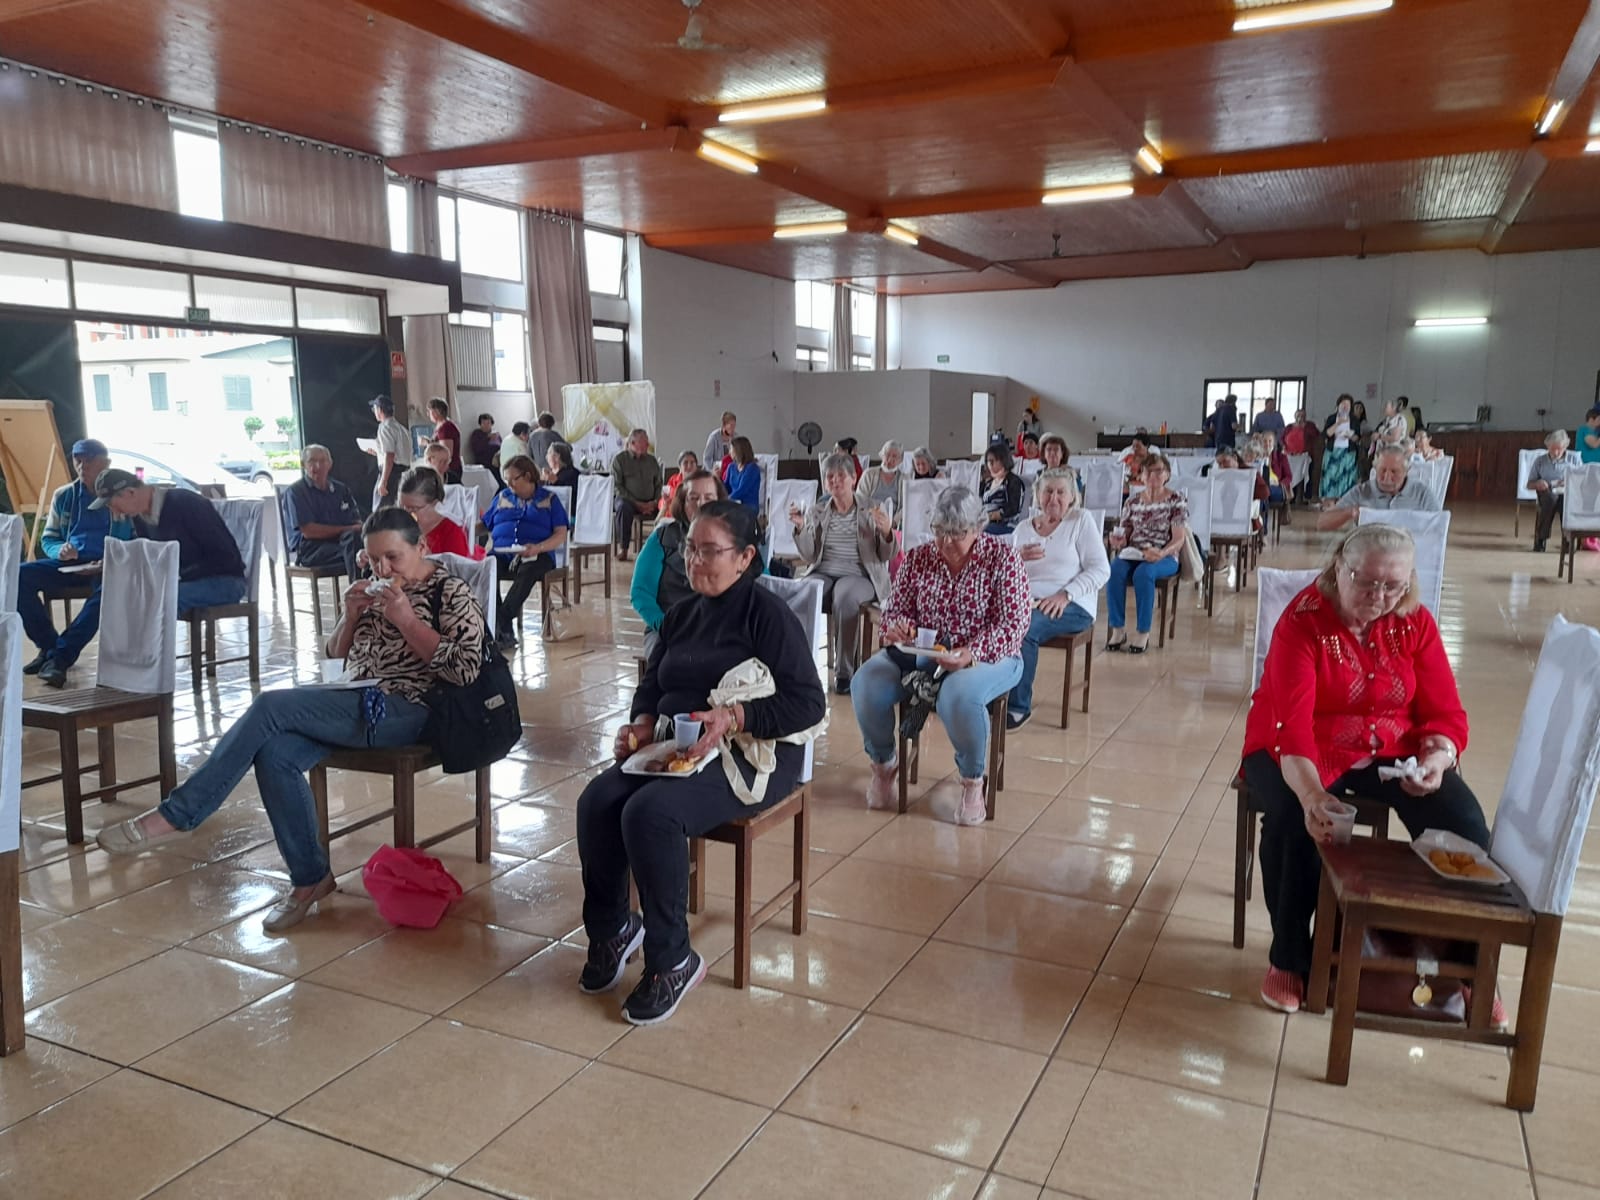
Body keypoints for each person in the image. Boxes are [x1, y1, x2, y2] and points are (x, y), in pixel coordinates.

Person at [96, 507, 488, 932]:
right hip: (355, 698)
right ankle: (310, 878)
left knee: (271, 706)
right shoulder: (376, 589)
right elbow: (336, 656)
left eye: (393, 557)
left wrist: (407, 620)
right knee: (276, 753)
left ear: (422, 547)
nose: (383, 569)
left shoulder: (449, 592)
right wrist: (351, 615)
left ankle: (179, 813)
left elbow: (465, 670)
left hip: (413, 709)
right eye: (374, 559)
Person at [578, 500, 825, 1025]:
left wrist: (734, 717)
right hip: (680, 745)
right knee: (598, 801)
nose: (695, 561)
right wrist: (641, 724)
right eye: (691, 549)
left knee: (650, 813)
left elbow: (809, 704)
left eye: (710, 551)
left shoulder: (766, 615)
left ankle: (672, 960)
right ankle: (613, 929)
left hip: (754, 753)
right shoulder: (682, 615)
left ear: (745, 557)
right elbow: (652, 684)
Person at [1243, 524, 1493, 1017]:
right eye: (1367, 582)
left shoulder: (1414, 622)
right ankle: (1289, 958)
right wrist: (1312, 796)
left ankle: (1464, 964)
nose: (1379, 597)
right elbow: (1292, 728)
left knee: (1463, 824)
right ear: (1340, 567)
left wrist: (1437, 759)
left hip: (1391, 745)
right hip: (1299, 746)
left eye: (1393, 586)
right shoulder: (1304, 622)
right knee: (1293, 823)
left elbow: (1445, 712)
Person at [850, 487, 1029, 826]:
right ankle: (884, 765)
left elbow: (1014, 625)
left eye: (956, 533)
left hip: (991, 655)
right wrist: (897, 627)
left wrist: (971, 653)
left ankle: (973, 781)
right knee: (865, 684)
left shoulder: (1003, 558)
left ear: (977, 528)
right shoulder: (919, 557)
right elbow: (895, 608)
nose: (946, 542)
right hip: (926, 652)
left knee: (958, 695)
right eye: (939, 531)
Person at [47, 468, 247, 689]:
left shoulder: (187, 503)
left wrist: (175, 576)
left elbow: (225, 558)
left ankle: (149, 672)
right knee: (111, 590)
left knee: (161, 598)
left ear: (131, 493)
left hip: (224, 580)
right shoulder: (140, 516)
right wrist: (115, 565)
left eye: (113, 504)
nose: (114, 511)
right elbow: (151, 557)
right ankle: (61, 658)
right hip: (176, 581)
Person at [16, 439, 132, 682]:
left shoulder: (121, 495)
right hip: (70, 563)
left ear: (106, 463)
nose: (82, 466)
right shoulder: (64, 495)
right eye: (78, 461)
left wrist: (108, 560)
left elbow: (133, 542)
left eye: (89, 461)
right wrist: (60, 550)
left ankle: (60, 657)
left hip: (107, 565)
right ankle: (49, 646)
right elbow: (49, 538)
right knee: (18, 575)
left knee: (110, 591)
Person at [1006, 469, 1109, 730]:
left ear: (1072, 496)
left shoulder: (1080, 521)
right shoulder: (1023, 528)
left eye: (1061, 492)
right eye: (1048, 492)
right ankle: (988, 694)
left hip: (1073, 603)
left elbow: (1101, 569)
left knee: (1024, 627)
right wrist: (1016, 557)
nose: (1053, 498)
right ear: (1038, 496)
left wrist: (1065, 595)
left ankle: (1018, 706)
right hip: (1028, 602)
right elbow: (1007, 573)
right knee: (986, 620)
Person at [792, 452, 894, 693]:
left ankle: (845, 673)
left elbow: (886, 555)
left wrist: (886, 532)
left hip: (860, 574)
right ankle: (799, 668)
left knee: (845, 596)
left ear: (853, 478)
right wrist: (800, 528)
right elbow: (810, 556)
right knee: (802, 591)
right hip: (824, 570)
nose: (835, 481)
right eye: (830, 477)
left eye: (841, 476)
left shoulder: (871, 508)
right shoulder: (818, 510)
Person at [631, 469, 726, 658]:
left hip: (720, 629)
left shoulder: (733, 538)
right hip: (667, 627)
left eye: (708, 498)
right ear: (683, 503)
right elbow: (640, 592)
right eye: (693, 498)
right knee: (675, 661)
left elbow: (761, 582)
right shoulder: (662, 538)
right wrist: (665, 625)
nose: (701, 504)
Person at [484, 454, 570, 648]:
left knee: (528, 570)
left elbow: (561, 534)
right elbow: (485, 523)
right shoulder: (502, 497)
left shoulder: (549, 500)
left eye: (513, 479)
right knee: (488, 567)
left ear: (528, 476)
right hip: (502, 552)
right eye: (506, 480)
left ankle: (501, 620)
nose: (509, 485)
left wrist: (538, 548)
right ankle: (503, 629)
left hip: (538, 553)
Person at [1105, 453, 1187, 654]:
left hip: (1164, 554)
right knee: (1114, 570)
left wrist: (1161, 552)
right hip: (1135, 553)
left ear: (1167, 475)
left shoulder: (1176, 500)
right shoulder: (1132, 502)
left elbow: (1179, 539)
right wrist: (1119, 540)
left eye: (1158, 471)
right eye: (1147, 472)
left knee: (1144, 573)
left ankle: (1143, 632)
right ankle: (1118, 629)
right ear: (1140, 476)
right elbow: (1126, 533)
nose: (1152, 476)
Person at [283, 444, 363, 581]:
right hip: (311, 549)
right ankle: (359, 590)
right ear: (303, 464)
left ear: (330, 464)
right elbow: (309, 531)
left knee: (368, 548)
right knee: (356, 551)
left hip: (342, 543)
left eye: (322, 461)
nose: (318, 466)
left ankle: (374, 589)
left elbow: (355, 520)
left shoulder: (341, 489)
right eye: (312, 461)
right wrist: (347, 529)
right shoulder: (296, 492)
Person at [1317, 444, 1440, 530]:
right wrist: (1350, 512)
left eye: (1394, 472)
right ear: (1375, 469)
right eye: (1382, 470)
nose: (1387, 477)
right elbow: (1322, 524)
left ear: (1406, 471)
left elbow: (1439, 525)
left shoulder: (1421, 492)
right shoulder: (1362, 491)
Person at [611, 428, 663, 557]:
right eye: (644, 441)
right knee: (623, 507)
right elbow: (617, 486)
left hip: (651, 502)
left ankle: (661, 548)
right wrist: (636, 503)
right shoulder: (620, 460)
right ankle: (624, 548)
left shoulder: (651, 461)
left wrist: (655, 502)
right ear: (633, 443)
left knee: (669, 506)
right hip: (629, 501)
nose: (647, 444)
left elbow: (659, 484)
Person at [399, 466, 471, 558]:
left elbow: (458, 567)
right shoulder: (399, 527)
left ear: (435, 503)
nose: (406, 514)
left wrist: (428, 561)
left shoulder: (452, 534)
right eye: (402, 507)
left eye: (413, 508)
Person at [1528, 430, 1574, 553]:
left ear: (1565, 447)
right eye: (1552, 449)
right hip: (1546, 492)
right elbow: (1529, 484)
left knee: (1565, 502)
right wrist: (1538, 483)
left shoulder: (1574, 460)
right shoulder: (1540, 461)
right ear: (1547, 447)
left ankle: (1568, 540)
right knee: (1551, 499)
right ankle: (1541, 539)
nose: (1555, 452)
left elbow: (1582, 481)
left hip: (1567, 493)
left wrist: (1569, 482)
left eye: (1559, 449)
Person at [365, 395, 413, 509]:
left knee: (381, 510)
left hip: (391, 473)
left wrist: (384, 481)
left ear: (379, 410)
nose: (374, 412)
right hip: (403, 473)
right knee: (397, 508)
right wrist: (378, 453)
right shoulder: (402, 429)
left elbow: (389, 455)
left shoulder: (385, 427)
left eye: (374, 409)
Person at [979, 443, 1024, 536]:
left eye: (994, 460)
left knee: (980, 531)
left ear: (1004, 460)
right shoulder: (988, 484)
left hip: (1007, 525)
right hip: (986, 522)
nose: (990, 464)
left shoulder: (1013, 481)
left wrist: (991, 516)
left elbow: (1013, 508)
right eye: (988, 461)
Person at [1321, 395, 1359, 500]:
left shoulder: (1354, 419)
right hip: (1332, 451)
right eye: (1343, 404)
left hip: (1348, 452)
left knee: (1347, 477)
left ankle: (1346, 500)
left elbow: (1357, 437)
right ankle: (1330, 500)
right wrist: (1338, 423)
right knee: (1331, 475)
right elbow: (1326, 434)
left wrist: (1350, 436)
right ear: (1338, 406)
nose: (1345, 407)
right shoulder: (1332, 418)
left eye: (1348, 405)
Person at [856, 441, 906, 515]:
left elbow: (905, 506)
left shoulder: (904, 479)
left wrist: (894, 521)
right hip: (870, 517)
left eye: (894, 456)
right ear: (882, 456)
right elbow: (860, 499)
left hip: (893, 520)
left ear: (900, 460)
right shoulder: (869, 474)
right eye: (887, 455)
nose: (890, 459)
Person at [426, 398, 464, 484]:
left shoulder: (446, 428)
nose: (428, 414)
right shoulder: (441, 426)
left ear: (436, 411)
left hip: (449, 469)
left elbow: (446, 451)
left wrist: (429, 444)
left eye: (429, 411)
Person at [1259, 430, 1293, 524]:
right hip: (1263, 488)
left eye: (1270, 441)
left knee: (1263, 493)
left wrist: (1280, 483)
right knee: (1262, 495)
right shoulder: (1258, 456)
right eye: (1265, 441)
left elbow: (1289, 476)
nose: (1267, 444)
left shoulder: (1281, 457)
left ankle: (1262, 528)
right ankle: (1262, 528)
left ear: (1274, 443)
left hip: (1277, 488)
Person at [722, 436, 762, 513]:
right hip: (733, 503)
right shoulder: (731, 466)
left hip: (748, 506)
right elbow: (726, 487)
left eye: (731, 449)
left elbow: (742, 490)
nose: (729, 452)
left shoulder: (752, 469)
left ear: (738, 450)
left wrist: (726, 499)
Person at [660, 450, 699, 515]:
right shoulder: (673, 479)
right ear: (680, 467)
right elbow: (663, 501)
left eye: (692, 463)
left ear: (696, 466)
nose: (689, 466)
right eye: (685, 463)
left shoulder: (701, 481)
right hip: (673, 515)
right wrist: (664, 502)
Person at [468, 413, 502, 485]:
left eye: (488, 423)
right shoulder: (477, 434)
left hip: (497, 464)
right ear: (480, 424)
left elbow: (501, 446)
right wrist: (487, 438)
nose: (486, 425)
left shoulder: (496, 434)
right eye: (483, 423)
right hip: (484, 466)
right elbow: (476, 449)